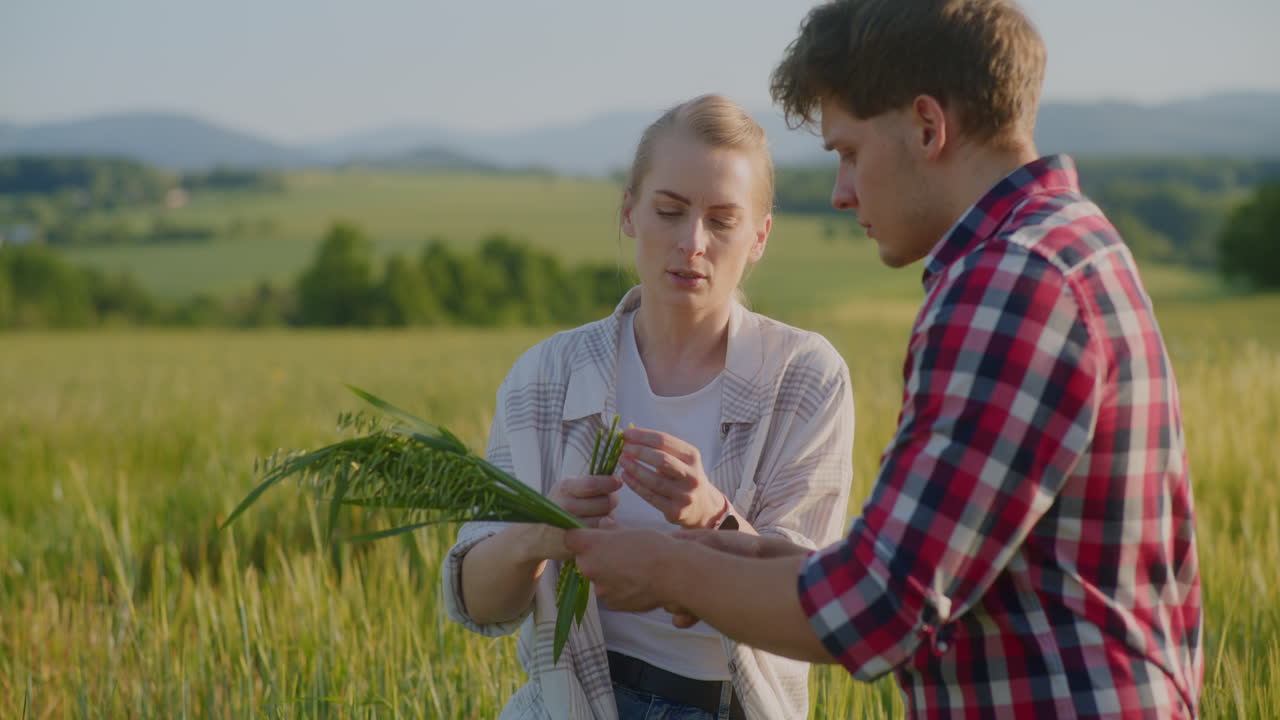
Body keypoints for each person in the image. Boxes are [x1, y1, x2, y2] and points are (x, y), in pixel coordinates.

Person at [566, 1, 1204, 717]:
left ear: (928, 128)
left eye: (849, 153)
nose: (841, 192)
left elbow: (881, 605)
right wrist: (727, 556)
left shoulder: (1011, 283)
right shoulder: (1070, 242)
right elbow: (905, 565)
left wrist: (665, 569)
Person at [441, 94, 856, 720]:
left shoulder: (805, 377)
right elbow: (477, 602)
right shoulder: (545, 376)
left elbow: (814, 601)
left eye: (722, 221)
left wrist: (716, 519)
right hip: (567, 704)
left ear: (760, 236)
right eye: (669, 210)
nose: (692, 242)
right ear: (629, 212)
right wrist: (539, 533)